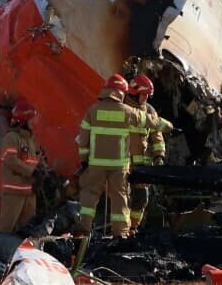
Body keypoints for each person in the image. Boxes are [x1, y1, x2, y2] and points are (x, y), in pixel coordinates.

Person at [73, 74, 141, 238]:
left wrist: (84, 160)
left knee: (89, 195)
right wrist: (166, 125)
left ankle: (83, 229)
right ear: (120, 93)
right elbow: (147, 120)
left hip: (96, 164)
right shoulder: (128, 111)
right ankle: (121, 233)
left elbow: (83, 139)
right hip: (119, 167)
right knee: (120, 198)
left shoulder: (93, 110)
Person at [123, 72, 172, 233]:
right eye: (144, 96)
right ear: (134, 93)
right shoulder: (122, 108)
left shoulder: (149, 110)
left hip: (141, 166)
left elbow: (156, 135)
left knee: (141, 199)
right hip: (122, 164)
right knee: (122, 200)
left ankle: (133, 228)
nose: (146, 99)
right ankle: (120, 230)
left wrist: (159, 156)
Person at [0, 102, 43, 235]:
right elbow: (10, 160)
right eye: (32, 119)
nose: (35, 122)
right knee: (6, 227)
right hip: (14, 192)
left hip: (30, 192)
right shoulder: (11, 138)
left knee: (26, 230)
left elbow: (37, 160)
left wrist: (44, 171)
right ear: (23, 120)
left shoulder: (32, 140)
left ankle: (21, 253)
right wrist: (32, 172)